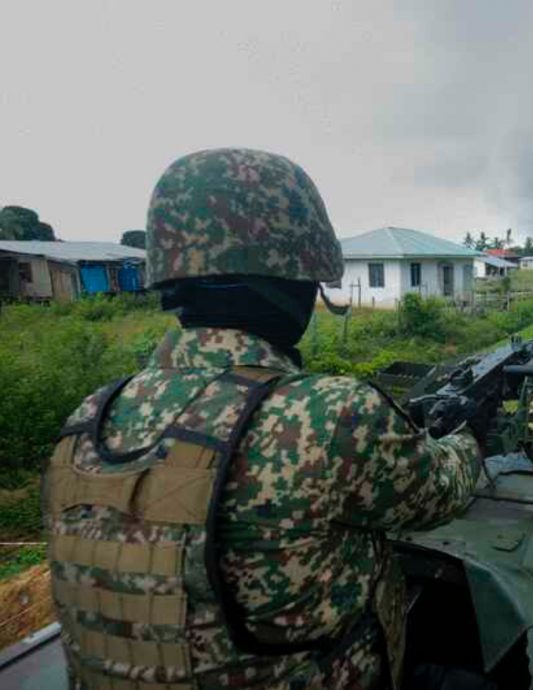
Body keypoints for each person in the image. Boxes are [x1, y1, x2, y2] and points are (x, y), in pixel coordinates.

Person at [41, 149, 483, 690]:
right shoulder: (331, 414)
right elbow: (441, 493)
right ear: (293, 283)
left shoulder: (87, 417)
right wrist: (470, 437)